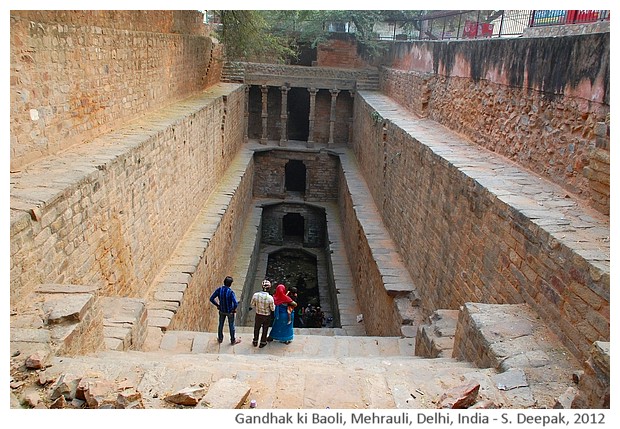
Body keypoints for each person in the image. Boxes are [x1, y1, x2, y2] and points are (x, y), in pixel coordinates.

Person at [209, 276, 241, 345]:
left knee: (221, 324)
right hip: (229, 311)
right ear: (230, 284)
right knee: (231, 325)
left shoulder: (219, 290)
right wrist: (233, 309)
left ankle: (220, 338)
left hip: (222, 310)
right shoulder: (231, 292)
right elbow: (235, 303)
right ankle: (233, 340)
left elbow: (211, 299)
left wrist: (217, 305)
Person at [249, 280, 275, 348]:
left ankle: (255, 341)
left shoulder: (255, 295)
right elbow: (273, 309)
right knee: (265, 328)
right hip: (267, 316)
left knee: (257, 328)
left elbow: (252, 305)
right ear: (269, 288)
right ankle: (262, 342)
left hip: (258, 314)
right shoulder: (270, 298)